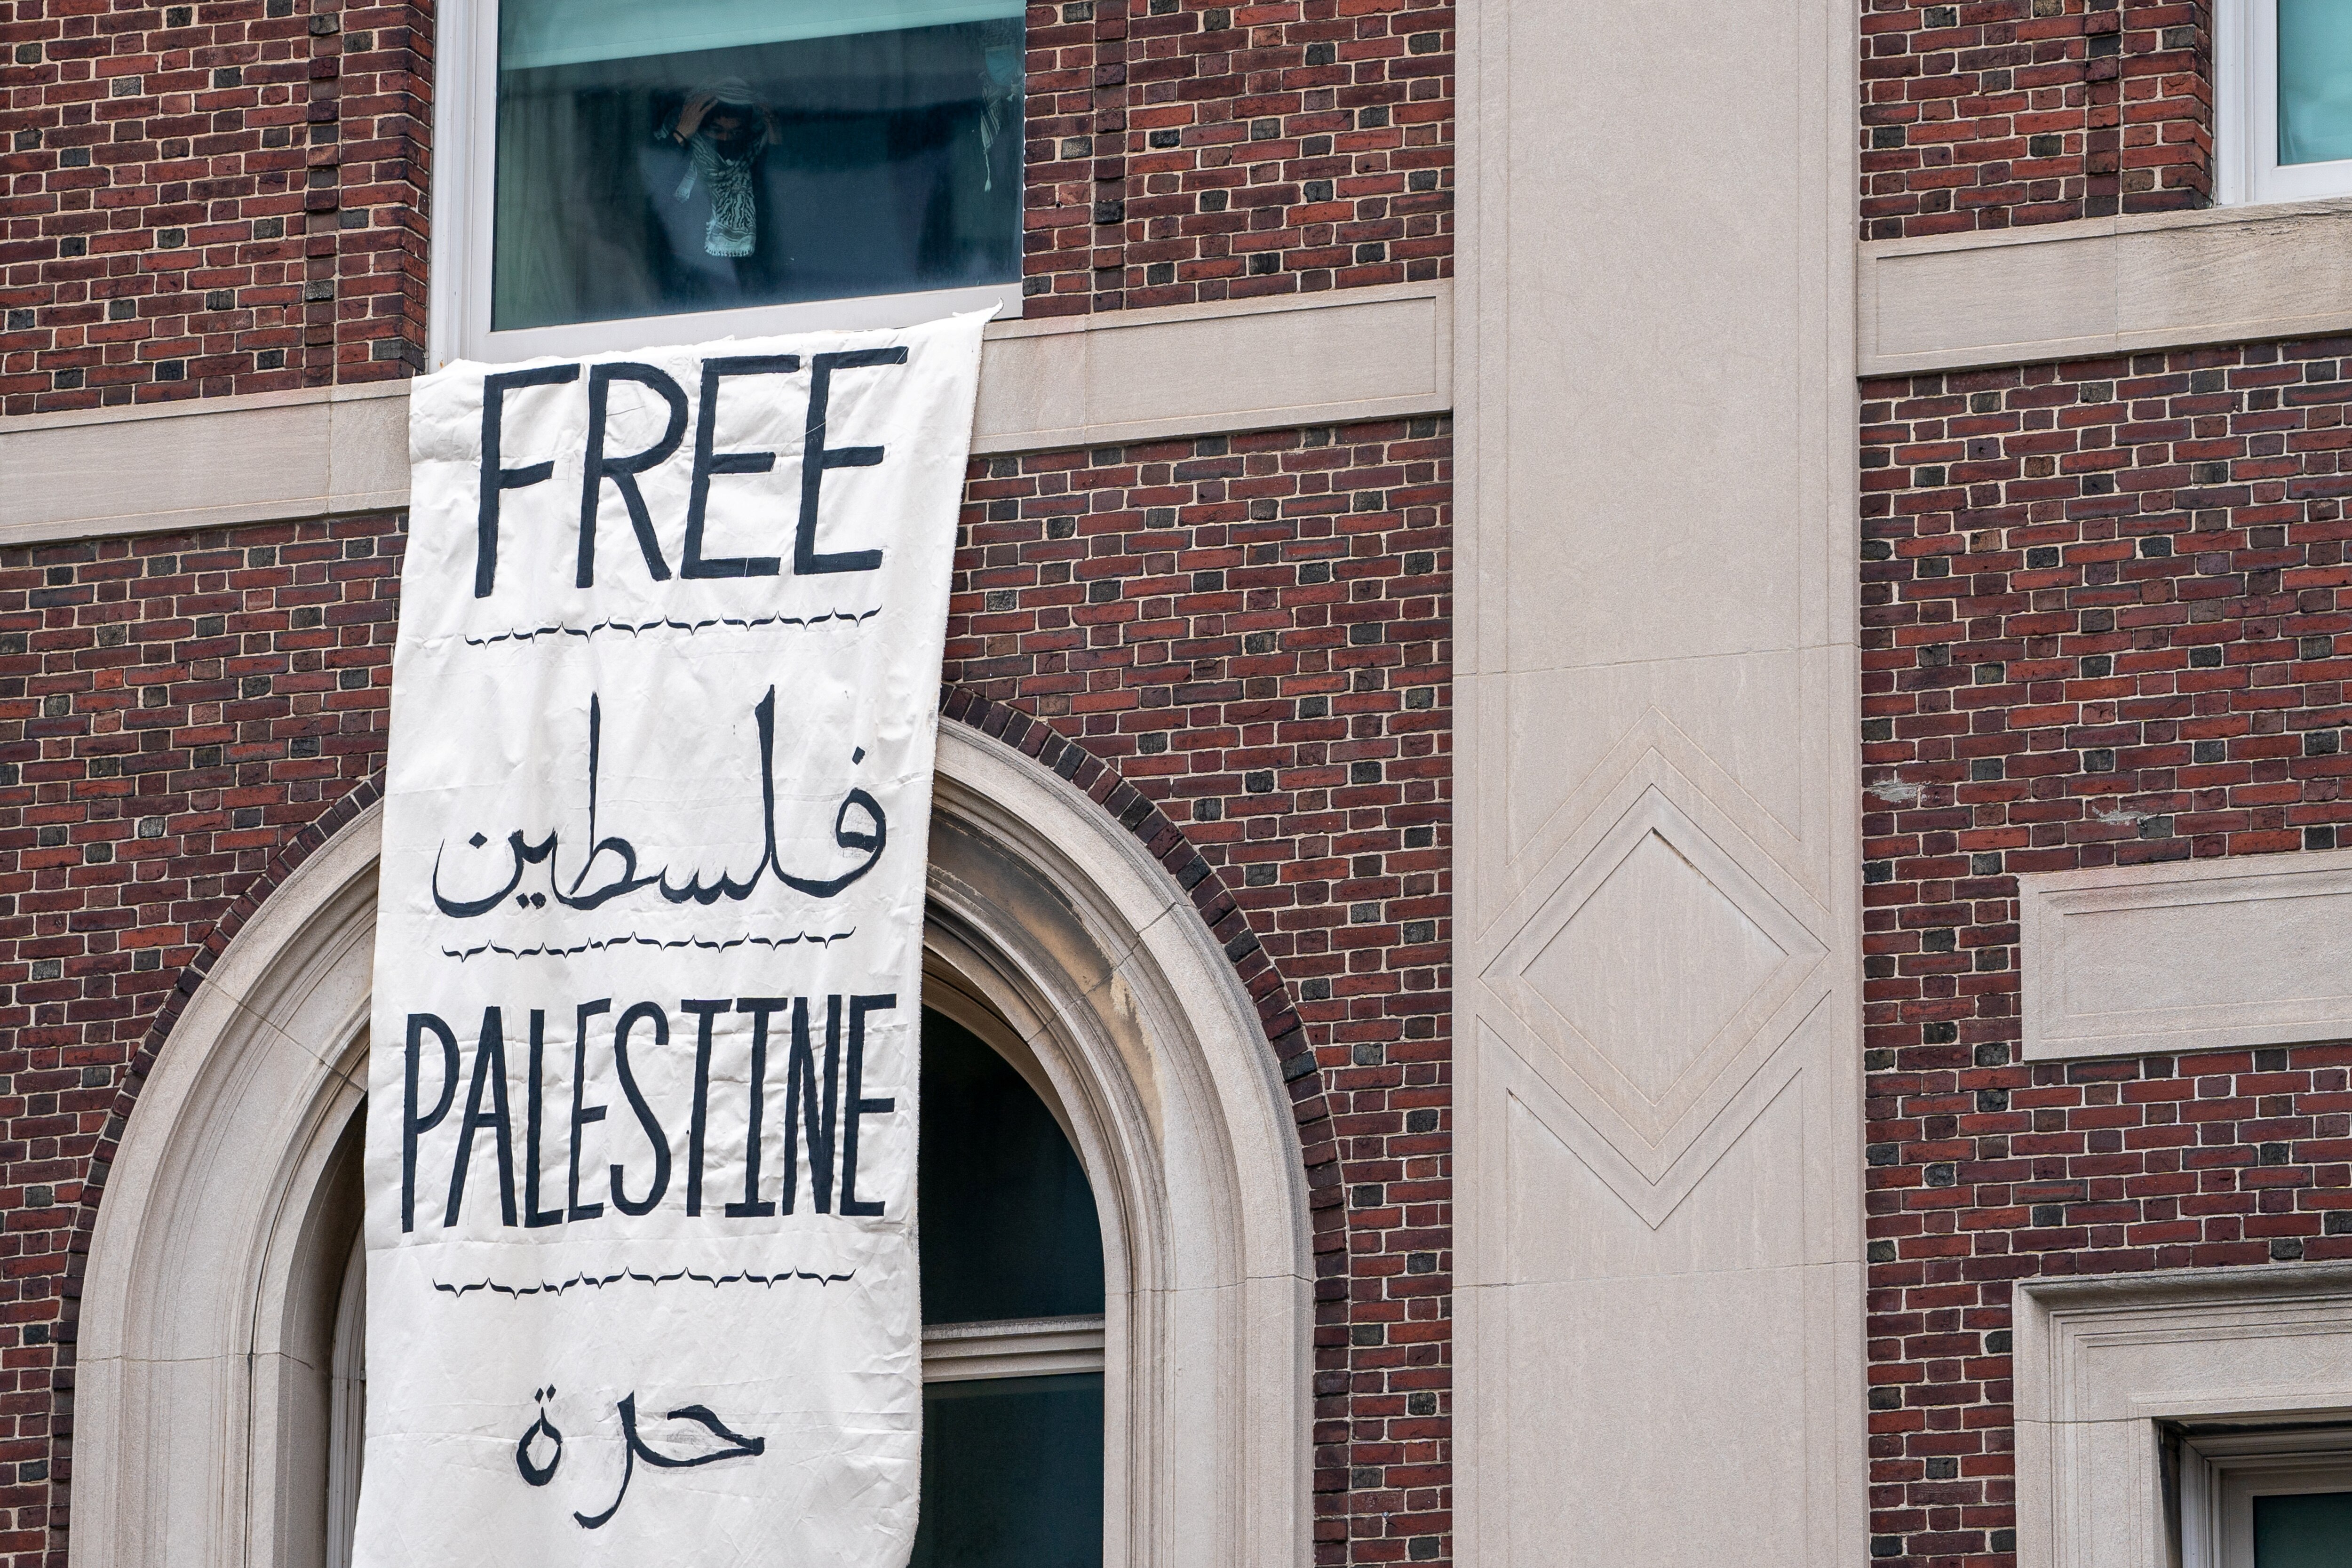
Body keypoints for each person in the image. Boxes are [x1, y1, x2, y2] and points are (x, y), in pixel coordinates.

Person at [658, 79, 777, 261]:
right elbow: (652, 192)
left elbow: (783, 194)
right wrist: (681, 135)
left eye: (735, 133)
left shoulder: (754, 162)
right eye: (715, 130)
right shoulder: (676, 156)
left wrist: (774, 130)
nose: (724, 139)